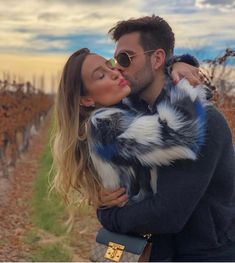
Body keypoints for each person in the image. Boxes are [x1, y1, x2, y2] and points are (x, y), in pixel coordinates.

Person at [96, 15, 235, 262]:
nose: (118, 67)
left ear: (158, 58)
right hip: (157, 251)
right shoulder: (140, 119)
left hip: (205, 255)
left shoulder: (200, 123)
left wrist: (108, 215)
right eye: (115, 59)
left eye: (125, 58)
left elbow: (167, 214)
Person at [52, 47, 207, 208]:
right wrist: (182, 80)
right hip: (146, 226)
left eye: (110, 65)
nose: (115, 73)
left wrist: (177, 64)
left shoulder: (125, 107)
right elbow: (181, 133)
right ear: (86, 100)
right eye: (101, 76)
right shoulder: (104, 126)